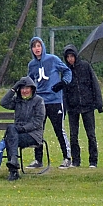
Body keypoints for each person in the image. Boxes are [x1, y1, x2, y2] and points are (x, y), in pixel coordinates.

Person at [25, 37, 72, 169]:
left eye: (39, 45)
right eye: (34, 46)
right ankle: (38, 159)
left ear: (43, 47)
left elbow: (67, 71)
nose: (37, 49)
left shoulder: (53, 59)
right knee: (37, 129)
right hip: (40, 101)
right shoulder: (32, 65)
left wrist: (63, 83)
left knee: (59, 129)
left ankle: (67, 157)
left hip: (55, 100)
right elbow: (30, 80)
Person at [62, 44, 103, 168]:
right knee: (73, 135)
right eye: (68, 57)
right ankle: (76, 160)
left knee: (91, 134)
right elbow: (64, 91)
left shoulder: (85, 66)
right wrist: (65, 108)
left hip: (88, 106)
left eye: (72, 56)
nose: (70, 59)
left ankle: (93, 161)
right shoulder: (65, 71)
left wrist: (98, 104)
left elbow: (94, 84)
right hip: (73, 107)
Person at [0, 76, 45, 181]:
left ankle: (13, 170)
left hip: (33, 135)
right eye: (22, 88)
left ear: (32, 89)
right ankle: (14, 166)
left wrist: (23, 128)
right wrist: (14, 88)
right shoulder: (17, 101)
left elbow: (38, 122)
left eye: (27, 88)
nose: (24, 91)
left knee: (10, 135)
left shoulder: (38, 101)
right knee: (11, 135)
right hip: (17, 133)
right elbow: (3, 103)